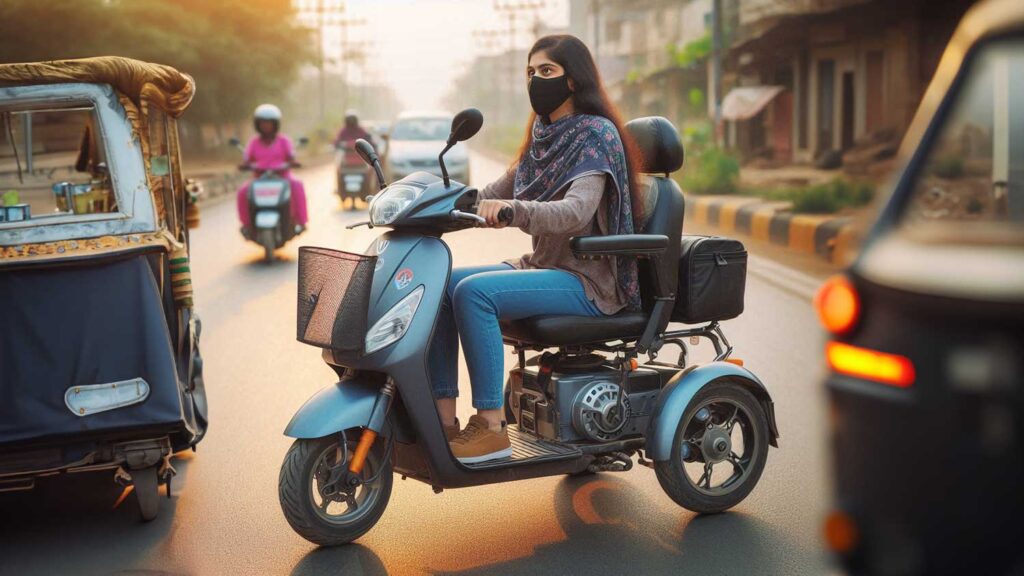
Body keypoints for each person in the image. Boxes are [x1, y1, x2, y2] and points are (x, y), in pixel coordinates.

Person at [432, 34, 644, 464]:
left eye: (546, 71)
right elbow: (490, 192)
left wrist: (513, 211)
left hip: (586, 280)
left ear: (572, 80)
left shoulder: (595, 134)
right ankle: (442, 420)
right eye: (530, 72)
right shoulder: (543, 136)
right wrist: (430, 201)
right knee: (439, 283)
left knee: (475, 293)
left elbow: (576, 212)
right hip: (545, 266)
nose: (535, 80)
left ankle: (491, 426)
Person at [236, 103, 308, 232]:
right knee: (242, 191)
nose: (266, 125)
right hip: (259, 178)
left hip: (283, 177)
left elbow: (291, 157)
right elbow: (247, 160)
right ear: (257, 124)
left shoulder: (284, 140)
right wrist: (244, 165)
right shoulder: (253, 142)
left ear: (275, 124)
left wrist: (293, 162)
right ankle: (247, 225)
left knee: (297, 185)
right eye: (263, 122)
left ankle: (301, 222)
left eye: (269, 122)